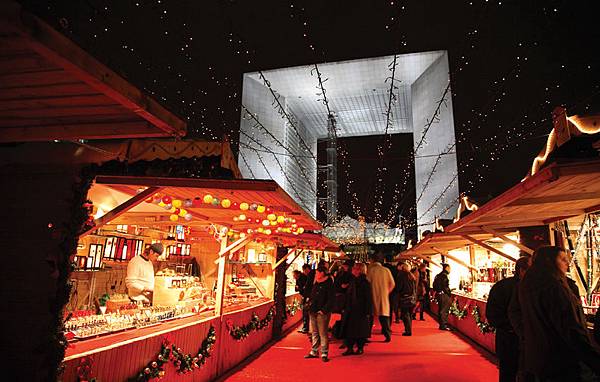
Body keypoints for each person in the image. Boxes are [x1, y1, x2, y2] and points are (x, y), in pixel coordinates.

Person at [519, 245, 600, 381]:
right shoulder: (553, 287)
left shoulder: (528, 284)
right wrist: (593, 360)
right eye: (563, 259)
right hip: (561, 360)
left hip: (542, 358)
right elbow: (570, 327)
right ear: (549, 262)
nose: (567, 263)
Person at [486, 256, 532, 382]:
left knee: (508, 373)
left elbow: (491, 315)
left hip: (507, 338)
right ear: (522, 270)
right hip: (513, 338)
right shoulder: (516, 288)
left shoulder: (501, 286)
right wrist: (516, 328)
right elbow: (493, 315)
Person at [340, 263, 373, 355]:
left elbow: (368, 297)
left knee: (359, 330)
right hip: (350, 308)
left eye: (355, 268)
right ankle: (350, 347)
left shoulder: (365, 282)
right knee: (350, 329)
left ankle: (359, 347)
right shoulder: (353, 280)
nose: (352, 270)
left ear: (359, 270)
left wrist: (368, 311)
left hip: (360, 309)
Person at [304, 265, 335, 362]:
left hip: (322, 312)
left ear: (322, 273)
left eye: (317, 272)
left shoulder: (329, 284)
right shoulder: (316, 283)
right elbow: (313, 295)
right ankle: (314, 351)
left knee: (323, 332)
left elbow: (331, 299)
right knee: (315, 332)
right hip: (313, 310)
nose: (316, 274)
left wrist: (323, 310)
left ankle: (324, 352)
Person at [367, 253, 395, 342]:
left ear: (372, 260)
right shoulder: (386, 270)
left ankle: (367, 334)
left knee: (370, 317)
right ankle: (387, 334)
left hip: (372, 295)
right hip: (383, 296)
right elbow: (392, 284)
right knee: (384, 317)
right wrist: (387, 291)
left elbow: (367, 283)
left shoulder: (370, 270)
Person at [396, 262, 416, 336]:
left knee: (405, 314)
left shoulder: (401, 275)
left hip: (404, 297)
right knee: (410, 314)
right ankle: (409, 329)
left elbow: (399, 287)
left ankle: (408, 331)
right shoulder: (411, 275)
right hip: (411, 297)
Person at [433, 263, 452, 330]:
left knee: (441, 310)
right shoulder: (444, 276)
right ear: (446, 268)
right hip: (443, 295)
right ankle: (443, 325)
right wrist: (449, 293)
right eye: (449, 268)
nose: (450, 270)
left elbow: (434, 285)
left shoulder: (438, 275)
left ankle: (442, 324)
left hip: (439, 294)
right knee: (444, 310)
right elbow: (445, 286)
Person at [293, 267, 310, 333]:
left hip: (306, 296)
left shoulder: (303, 278)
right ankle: (305, 327)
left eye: (294, 275)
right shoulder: (299, 279)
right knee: (305, 313)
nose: (293, 277)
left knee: (305, 312)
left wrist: (299, 288)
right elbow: (297, 288)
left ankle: (305, 328)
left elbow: (302, 288)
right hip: (304, 296)